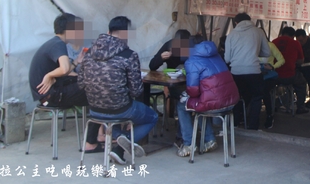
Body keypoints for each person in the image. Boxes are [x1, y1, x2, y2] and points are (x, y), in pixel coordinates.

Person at [79, 16, 158, 165]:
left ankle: (120, 144)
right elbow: (136, 91)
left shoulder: (89, 53)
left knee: (109, 118)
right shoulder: (129, 55)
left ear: (108, 32)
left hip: (95, 110)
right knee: (152, 117)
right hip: (121, 109)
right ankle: (123, 142)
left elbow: (81, 83)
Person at [28, 13, 100, 152]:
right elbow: (64, 68)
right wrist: (49, 75)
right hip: (51, 97)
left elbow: (66, 69)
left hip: (49, 95)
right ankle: (93, 141)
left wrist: (76, 61)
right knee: (99, 91)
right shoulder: (58, 45)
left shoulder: (54, 43)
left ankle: (100, 135)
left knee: (92, 85)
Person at [175, 35, 240, 157]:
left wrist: (186, 94)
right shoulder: (217, 56)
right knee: (201, 103)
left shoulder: (192, 61)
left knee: (181, 105)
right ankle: (209, 139)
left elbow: (193, 91)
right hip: (230, 102)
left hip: (214, 104)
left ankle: (189, 144)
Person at [224, 13, 271, 130]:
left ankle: (235, 124)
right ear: (250, 20)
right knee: (256, 98)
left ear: (236, 23)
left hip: (236, 72)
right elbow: (267, 53)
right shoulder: (258, 32)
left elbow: (227, 59)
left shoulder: (231, 35)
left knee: (237, 97)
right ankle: (253, 126)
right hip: (254, 71)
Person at [149, 29, 190, 148]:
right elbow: (152, 66)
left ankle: (182, 135)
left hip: (191, 83)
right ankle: (181, 136)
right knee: (182, 98)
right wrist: (161, 58)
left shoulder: (192, 47)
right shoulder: (169, 45)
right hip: (174, 83)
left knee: (184, 100)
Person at [273, 26, 308, 114]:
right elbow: (300, 61)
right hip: (290, 75)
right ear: (293, 36)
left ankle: (273, 105)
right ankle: (300, 107)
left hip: (274, 76)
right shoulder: (295, 43)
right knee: (302, 83)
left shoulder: (274, 42)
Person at [260, 41, 285, 129]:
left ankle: (269, 115)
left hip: (268, 75)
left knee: (264, 90)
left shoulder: (270, 46)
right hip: (256, 74)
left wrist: (273, 67)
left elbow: (281, 59)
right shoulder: (252, 45)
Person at [295, 28, 310, 107]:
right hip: (299, 66)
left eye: (301, 41)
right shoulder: (296, 44)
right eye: (298, 41)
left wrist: (306, 59)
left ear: (306, 37)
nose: (300, 43)